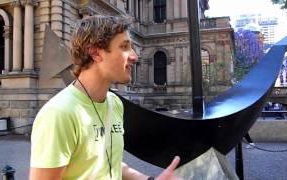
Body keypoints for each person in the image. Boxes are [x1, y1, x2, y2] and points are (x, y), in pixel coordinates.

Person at [29, 15, 180, 180]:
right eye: (124, 47)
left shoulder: (115, 103)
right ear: (95, 53)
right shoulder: (58, 114)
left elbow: (108, 162)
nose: (135, 57)